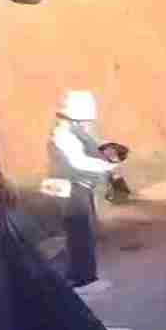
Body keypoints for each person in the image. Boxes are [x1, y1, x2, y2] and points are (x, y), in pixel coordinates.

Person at [46, 88, 115, 291]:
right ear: (76, 117)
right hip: (70, 189)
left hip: (77, 187)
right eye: (85, 121)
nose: (88, 125)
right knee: (80, 233)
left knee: (83, 232)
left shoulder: (73, 132)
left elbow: (94, 148)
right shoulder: (63, 135)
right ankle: (82, 280)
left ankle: (83, 276)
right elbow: (77, 162)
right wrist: (104, 166)